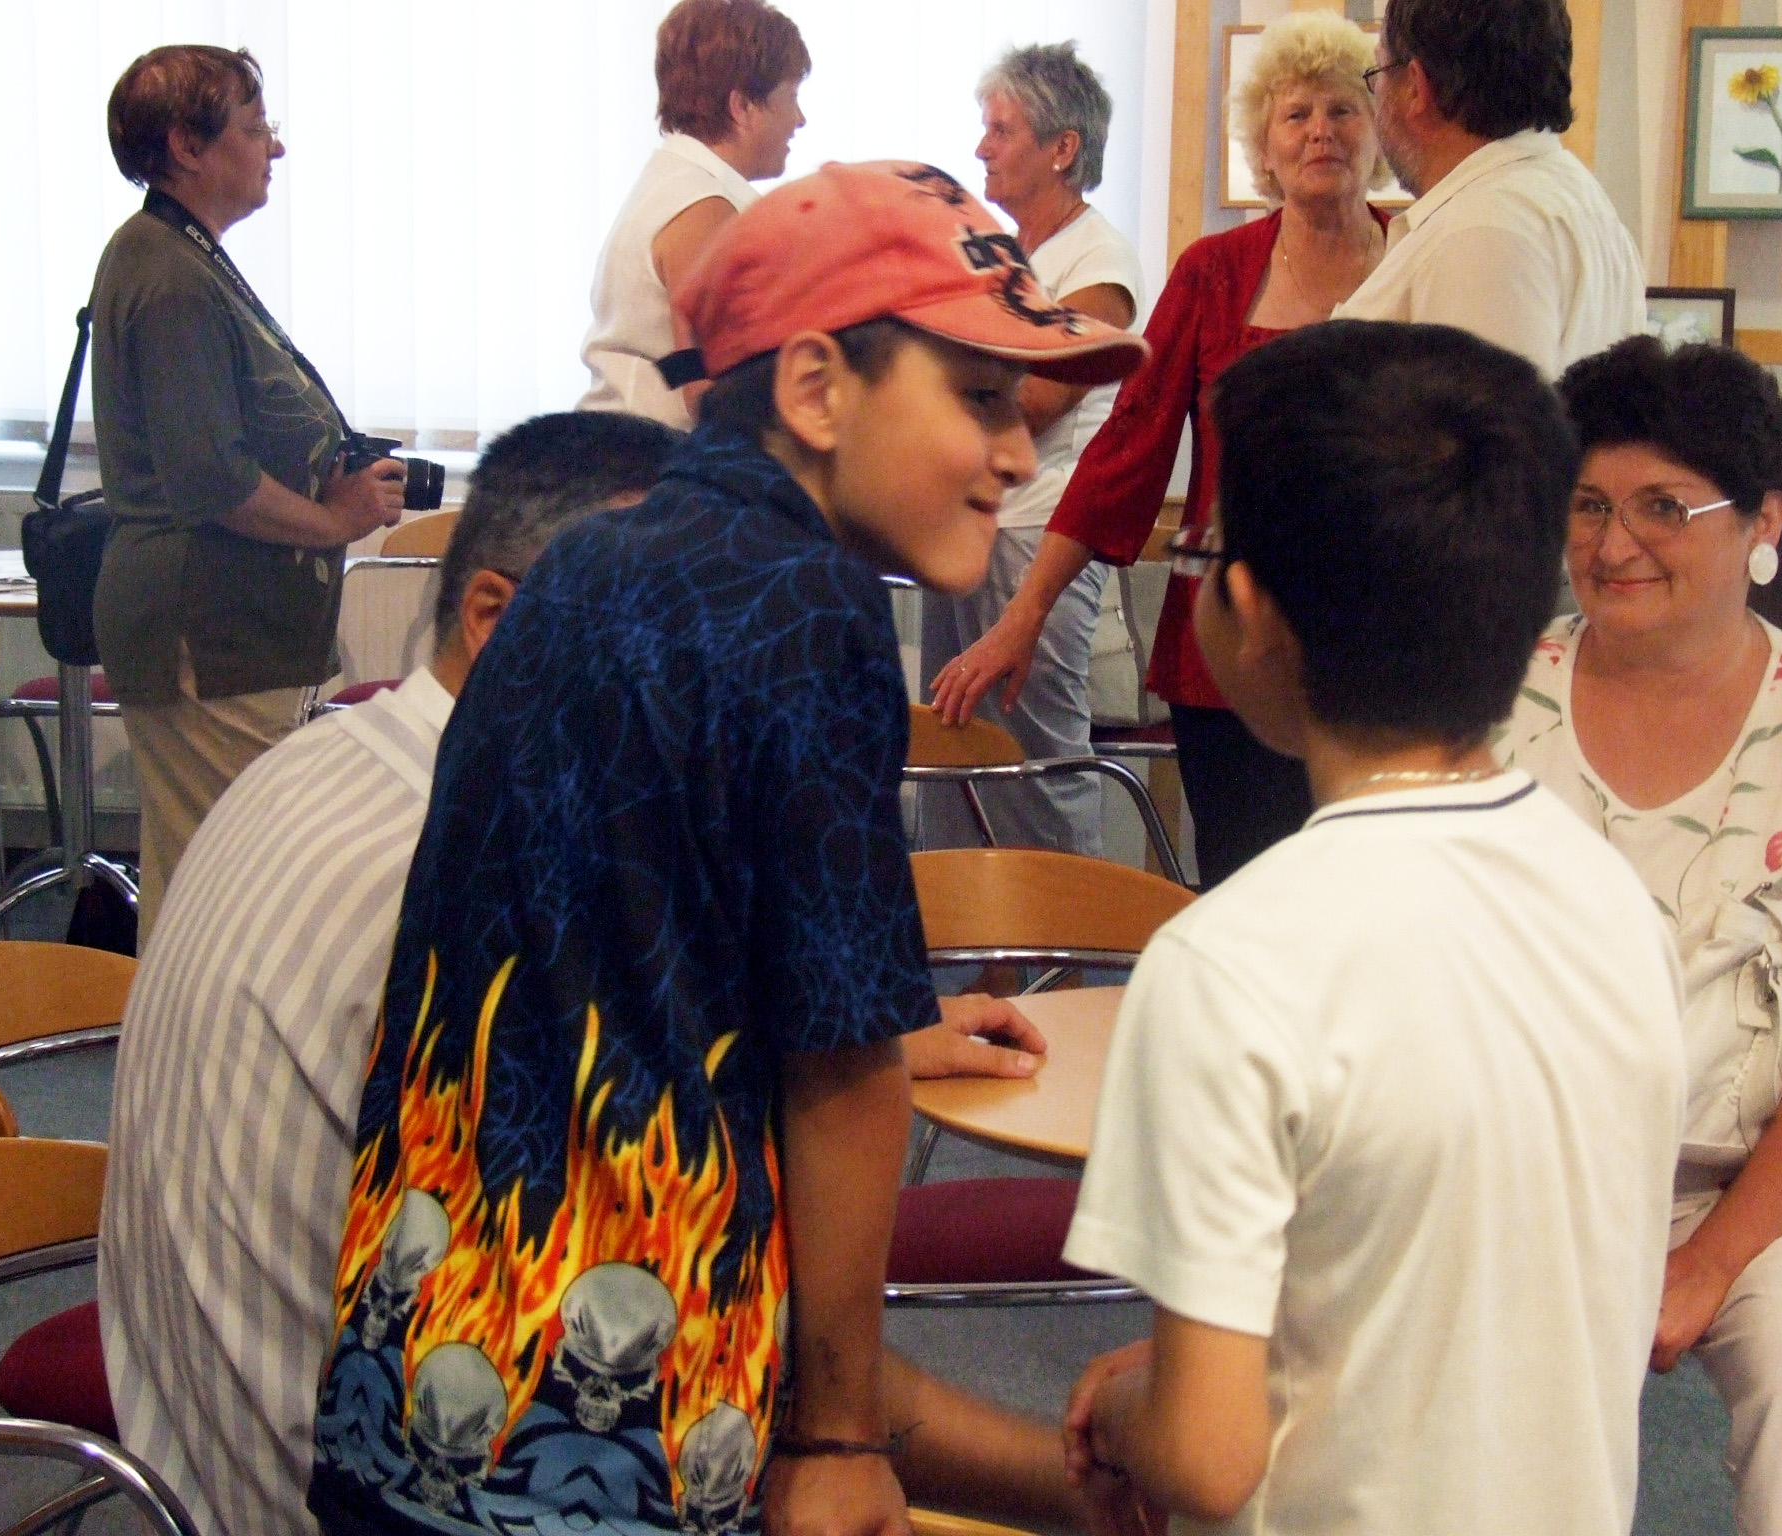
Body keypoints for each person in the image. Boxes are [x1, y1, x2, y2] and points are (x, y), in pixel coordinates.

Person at [309, 162, 1145, 1536]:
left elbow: (641, 954)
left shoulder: (588, 565)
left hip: (409, 1372)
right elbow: (842, 1079)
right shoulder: (804, 604)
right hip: (618, 1436)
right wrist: (840, 1435)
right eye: (980, 397)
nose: (1014, 452)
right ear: (815, 388)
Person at [100, 409, 1068, 1536]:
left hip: (207, 1456)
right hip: (359, 1493)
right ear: (503, 620)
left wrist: (827, 1035)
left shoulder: (323, 766)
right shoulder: (498, 864)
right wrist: (1101, 1489)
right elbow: (732, 1364)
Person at [1058, 321, 1685, 1535]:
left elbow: (1201, 1462)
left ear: (1251, 613)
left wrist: (1127, 1410)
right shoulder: (1610, 896)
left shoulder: (1231, 962)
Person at [1498, 336, 1782, 1536]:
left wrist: (1706, 1267)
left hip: (1761, 1186)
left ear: (1761, 522)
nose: (1611, 546)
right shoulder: (1489, 696)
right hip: (1514, 1172)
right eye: (1587, 505)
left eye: (1661, 507)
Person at [932, 11, 1389, 888]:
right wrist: (1023, 616)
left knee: (1369, 895)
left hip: (1382, 653)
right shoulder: (1213, 271)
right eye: (1296, 115)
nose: (1321, 133)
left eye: (1343, 109)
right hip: (1233, 654)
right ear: (1264, 145)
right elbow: (1125, 450)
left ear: (1380, 129)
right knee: (1246, 889)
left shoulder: (1424, 260)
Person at [90, 44, 407, 942]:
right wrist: (335, 519)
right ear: (188, 146)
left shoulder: (181, 258)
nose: (276, 146)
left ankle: (171, 1036)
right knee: (234, 899)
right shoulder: (167, 277)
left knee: (203, 883)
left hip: (225, 632)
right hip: (206, 633)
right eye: (256, 125)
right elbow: (213, 481)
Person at [917, 42, 1141, 859]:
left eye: (1001, 130)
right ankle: (960, 929)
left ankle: (1067, 932)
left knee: (1035, 765)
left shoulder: (1098, 261)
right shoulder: (1003, 257)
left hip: (1038, 535)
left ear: (1062, 148)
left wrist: (925, 405)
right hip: (968, 527)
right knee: (953, 750)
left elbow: (1040, 402)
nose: (981, 149)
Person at [1334, 0, 1644, 379]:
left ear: (1415, 86)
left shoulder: (1481, 230)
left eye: (1378, 72)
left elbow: (1483, 415)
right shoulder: (1567, 194)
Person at [577, 0, 807, 428]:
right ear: (743, 106)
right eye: (791, 97)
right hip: (650, 457)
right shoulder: (703, 208)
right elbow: (708, 390)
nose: (800, 119)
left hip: (627, 446)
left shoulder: (675, 184)